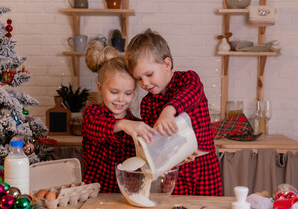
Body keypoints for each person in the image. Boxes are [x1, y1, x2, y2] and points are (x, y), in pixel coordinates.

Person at [125, 29, 222, 196]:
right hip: (176, 169)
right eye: (139, 78)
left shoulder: (189, 79)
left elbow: (192, 93)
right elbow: (156, 142)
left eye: (149, 74)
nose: (145, 83)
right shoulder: (147, 103)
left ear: (167, 64)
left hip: (204, 165)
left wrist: (169, 111)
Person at [82, 42, 156, 193]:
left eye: (128, 93)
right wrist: (122, 125)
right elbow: (95, 127)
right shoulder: (92, 113)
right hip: (95, 194)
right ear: (100, 88)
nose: (121, 99)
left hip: (127, 195)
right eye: (114, 92)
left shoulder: (136, 125)